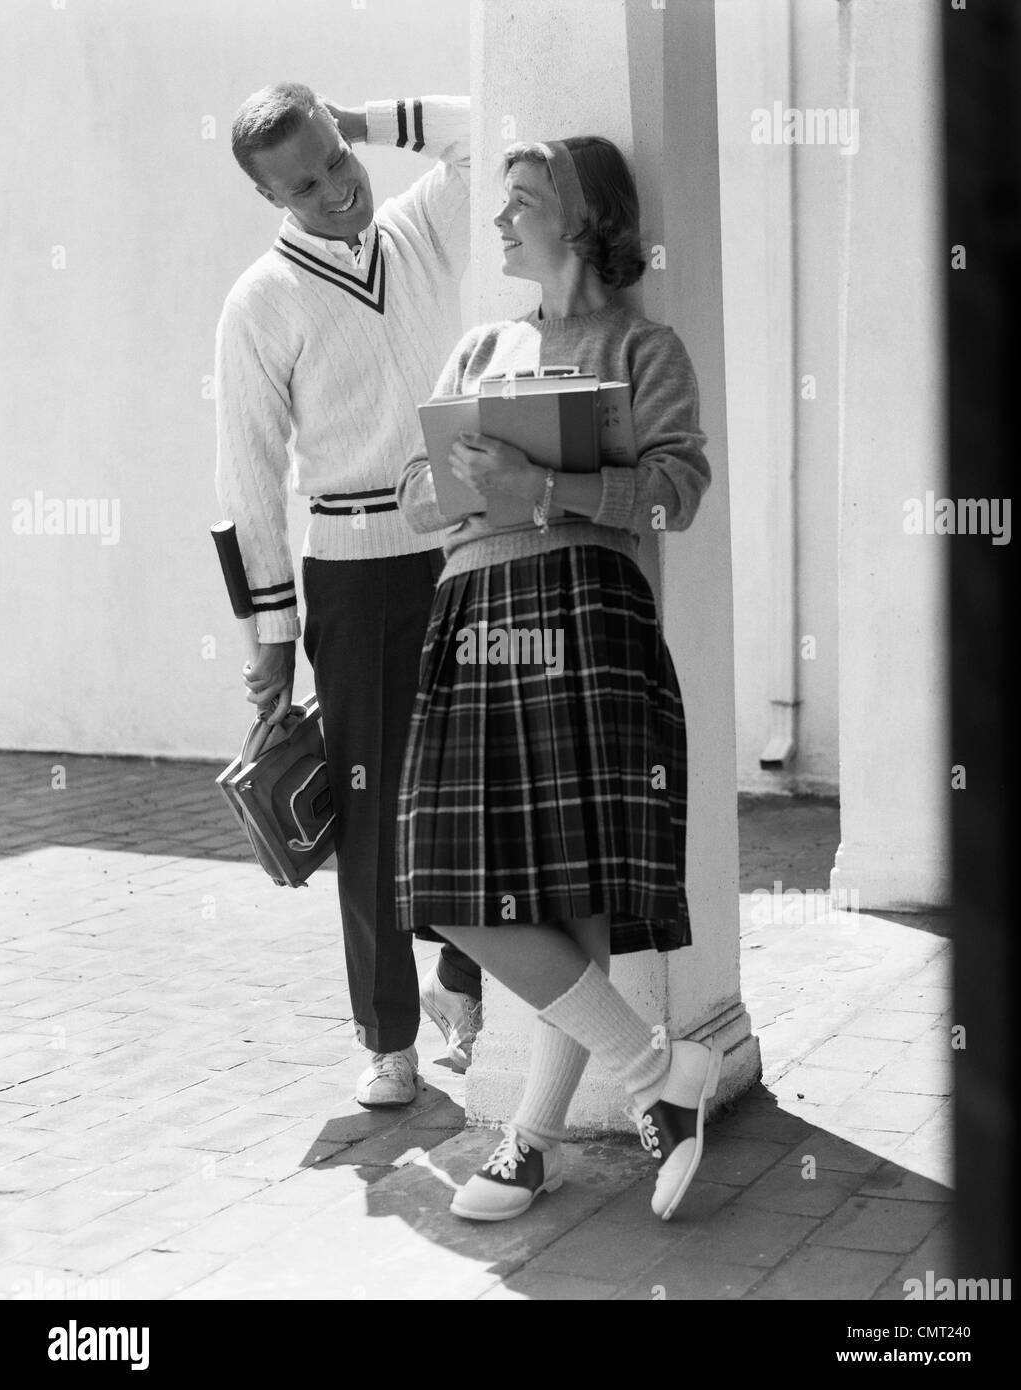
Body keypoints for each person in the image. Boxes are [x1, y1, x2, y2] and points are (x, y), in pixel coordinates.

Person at [396, 135, 718, 1221]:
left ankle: (527, 1143)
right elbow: (412, 493)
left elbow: (677, 492)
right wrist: (461, 488)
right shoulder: (480, 347)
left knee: (566, 886)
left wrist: (546, 491)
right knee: (447, 884)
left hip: (588, 612)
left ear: (582, 225)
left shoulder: (646, 347)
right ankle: (656, 1075)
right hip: (472, 612)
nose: (501, 221)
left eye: (523, 202)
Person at [214, 83, 482, 1106]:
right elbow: (247, 481)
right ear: (266, 195)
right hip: (352, 578)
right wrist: (270, 645)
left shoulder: (415, 228)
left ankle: (465, 976)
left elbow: (479, 125)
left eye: (336, 157)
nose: (336, 188)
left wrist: (360, 118)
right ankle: (389, 1038)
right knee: (370, 811)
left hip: (462, 547)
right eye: (305, 181)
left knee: (480, 780)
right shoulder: (259, 302)